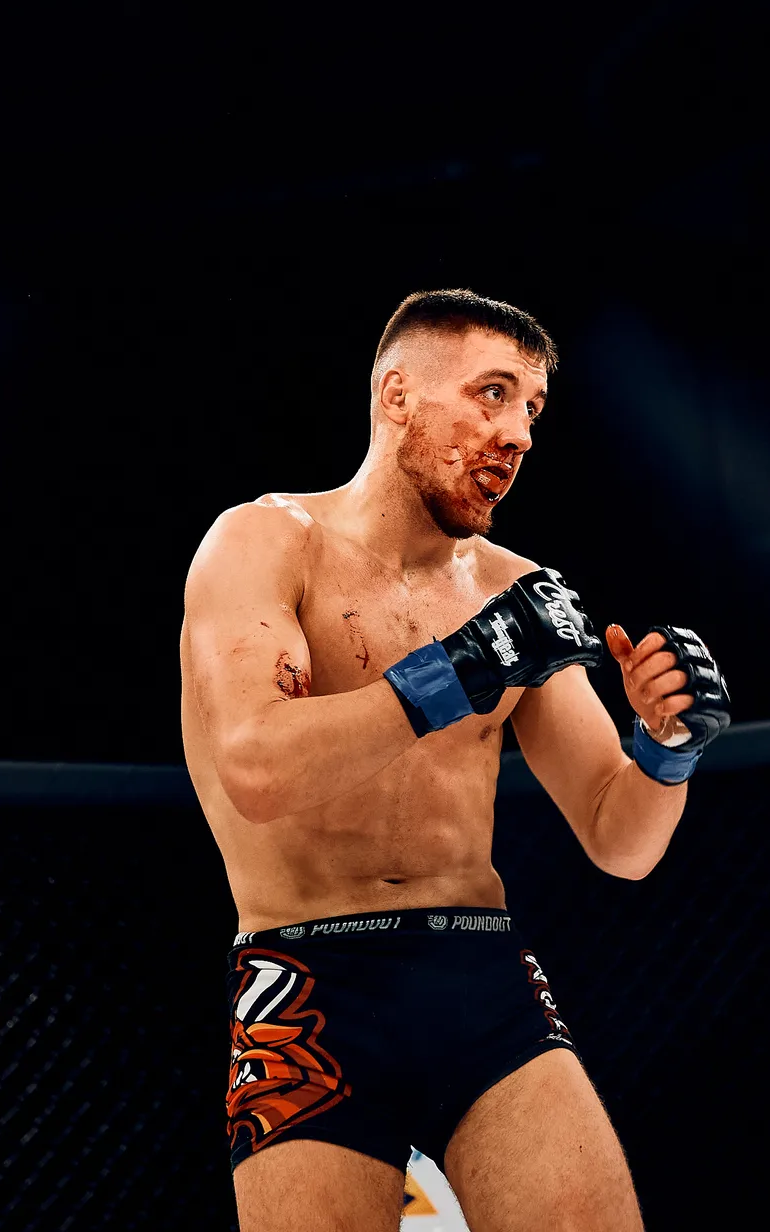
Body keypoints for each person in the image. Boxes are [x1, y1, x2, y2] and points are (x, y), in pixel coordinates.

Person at [178, 289, 730, 1232]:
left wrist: (668, 748)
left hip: (480, 975)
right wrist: (460, 671)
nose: (517, 433)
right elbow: (257, 770)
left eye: (532, 409)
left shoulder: (518, 594)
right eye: (493, 393)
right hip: (309, 986)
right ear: (397, 395)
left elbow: (619, 837)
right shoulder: (265, 542)